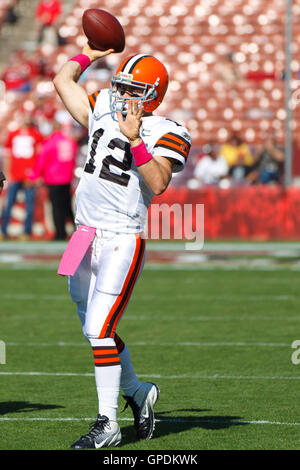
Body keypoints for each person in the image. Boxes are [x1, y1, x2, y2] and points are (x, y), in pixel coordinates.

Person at [53, 43, 191, 448]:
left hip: (120, 237)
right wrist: (86, 52)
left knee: (100, 327)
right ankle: (139, 390)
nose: (122, 96)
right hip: (82, 235)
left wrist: (135, 142)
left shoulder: (165, 128)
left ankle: (107, 423)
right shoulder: (101, 108)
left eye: (133, 89)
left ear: (153, 96)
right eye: (121, 86)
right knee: (90, 325)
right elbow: (62, 81)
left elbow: (160, 183)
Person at [30, 121, 78, 240]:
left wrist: (35, 176)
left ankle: (60, 233)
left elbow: (42, 160)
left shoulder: (50, 142)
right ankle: (74, 230)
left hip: (53, 179)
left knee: (56, 207)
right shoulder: (70, 142)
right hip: (67, 178)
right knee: (67, 206)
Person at [1, 114, 43, 240]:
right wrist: (8, 173)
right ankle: (3, 230)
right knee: (8, 204)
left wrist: (35, 174)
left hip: (29, 176)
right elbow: (7, 155)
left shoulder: (35, 134)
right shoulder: (13, 134)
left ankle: (26, 232)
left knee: (30, 205)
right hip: (15, 174)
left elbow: (39, 155)